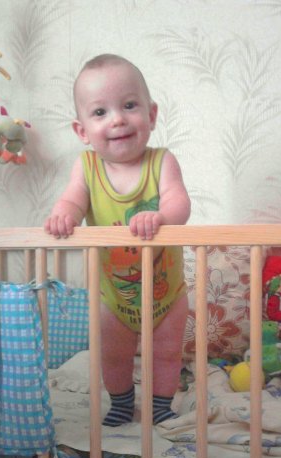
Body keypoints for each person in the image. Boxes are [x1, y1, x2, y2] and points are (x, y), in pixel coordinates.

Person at [44, 54, 191, 426]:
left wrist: (161, 217)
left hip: (167, 292)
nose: (118, 119)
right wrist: (64, 214)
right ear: (82, 131)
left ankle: (161, 407)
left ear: (151, 115)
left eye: (129, 106)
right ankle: (122, 405)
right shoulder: (87, 167)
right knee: (113, 354)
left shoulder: (162, 162)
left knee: (167, 353)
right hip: (114, 295)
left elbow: (179, 203)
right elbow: (73, 200)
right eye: (100, 112)